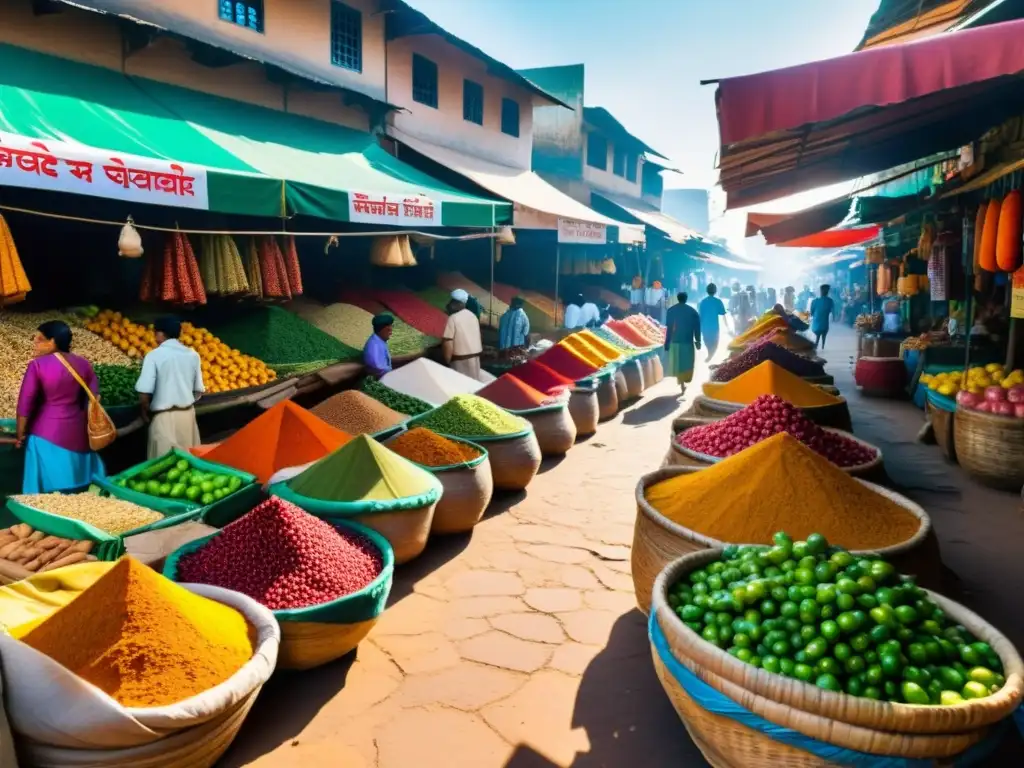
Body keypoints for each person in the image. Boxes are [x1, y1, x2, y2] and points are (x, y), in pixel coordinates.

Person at [16, 320, 106, 493]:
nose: (35, 342)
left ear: (53, 341)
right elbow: (94, 398)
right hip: (79, 435)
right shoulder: (84, 364)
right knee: (79, 494)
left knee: (49, 497)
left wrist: (20, 434)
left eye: (40, 338)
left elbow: (25, 403)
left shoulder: (37, 365)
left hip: (46, 436)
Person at [136, 315, 204, 459]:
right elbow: (198, 391)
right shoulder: (193, 355)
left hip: (163, 418)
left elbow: (144, 393)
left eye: (155, 332)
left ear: (160, 333)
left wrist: (145, 410)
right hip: (188, 417)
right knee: (188, 466)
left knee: (162, 467)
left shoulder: (153, 356)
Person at [664, 292, 702, 393]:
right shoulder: (693, 311)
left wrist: (667, 342)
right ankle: (683, 382)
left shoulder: (671, 311)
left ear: (678, 298)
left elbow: (669, 328)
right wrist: (698, 341)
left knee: (678, 363)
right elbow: (697, 328)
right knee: (687, 363)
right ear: (686, 299)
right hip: (687, 342)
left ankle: (681, 382)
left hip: (675, 341)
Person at [443, 288, 483, 380]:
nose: (450, 305)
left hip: (460, 360)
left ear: (459, 304)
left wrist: (447, 361)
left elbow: (447, 341)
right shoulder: (473, 317)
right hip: (475, 358)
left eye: (453, 302)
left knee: (461, 384)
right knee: (474, 383)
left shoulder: (453, 318)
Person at [698, 283, 727, 361]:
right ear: (715, 291)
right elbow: (723, 314)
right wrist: (727, 325)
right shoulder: (718, 301)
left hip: (705, 326)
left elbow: (700, 316)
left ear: (707, 291)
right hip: (714, 326)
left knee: (706, 340)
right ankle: (710, 354)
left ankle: (709, 354)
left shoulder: (703, 302)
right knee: (715, 342)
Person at [363, 313, 394, 379]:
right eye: (388, 330)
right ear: (381, 330)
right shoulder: (374, 345)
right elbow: (378, 368)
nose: (391, 332)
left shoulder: (380, 340)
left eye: (391, 328)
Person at [810, 284, 836, 350]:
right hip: (824, 322)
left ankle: (816, 345)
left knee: (817, 334)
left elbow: (811, 312)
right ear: (828, 292)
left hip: (816, 322)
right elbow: (832, 311)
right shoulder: (830, 301)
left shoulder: (815, 301)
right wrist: (833, 318)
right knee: (824, 333)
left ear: (820, 291)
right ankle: (822, 347)